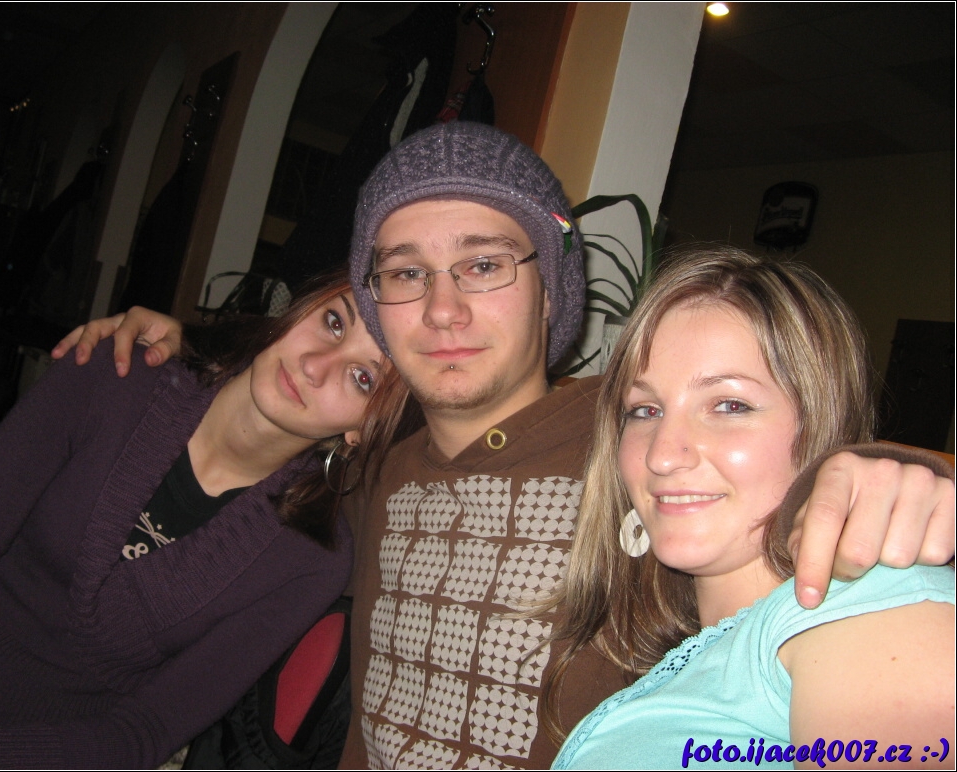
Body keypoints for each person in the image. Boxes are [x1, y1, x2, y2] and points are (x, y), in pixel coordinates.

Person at [49, 122, 956, 769]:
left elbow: (791, 468)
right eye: (406, 273)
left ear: (553, 293)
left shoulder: (634, 438)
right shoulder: (367, 465)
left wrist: (905, 472)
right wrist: (185, 355)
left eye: (483, 265)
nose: (443, 309)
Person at [0, 271, 412, 769]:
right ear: (296, 310)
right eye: (333, 322)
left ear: (364, 430)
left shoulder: (310, 560)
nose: (315, 365)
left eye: (362, 378)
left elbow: (146, 731)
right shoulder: (115, 376)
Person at [549, 249, 955, 769]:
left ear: (821, 426)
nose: (661, 455)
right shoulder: (709, 644)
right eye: (645, 410)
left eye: (729, 405)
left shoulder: (869, 609)